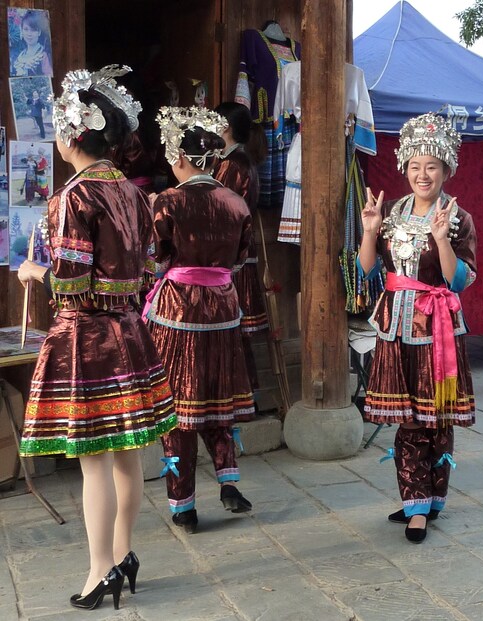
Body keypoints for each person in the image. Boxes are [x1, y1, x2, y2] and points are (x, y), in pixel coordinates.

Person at [17, 65, 177, 610]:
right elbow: (151, 263)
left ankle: (98, 569)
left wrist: (34, 273)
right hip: (130, 333)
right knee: (127, 453)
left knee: (94, 460)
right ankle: (124, 555)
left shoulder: (74, 197)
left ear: (71, 135)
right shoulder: (134, 194)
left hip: (87, 339)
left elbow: (72, 280)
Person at [358, 112, 477, 544]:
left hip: (437, 327)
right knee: (407, 420)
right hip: (395, 327)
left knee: (436, 419)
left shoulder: (458, 218)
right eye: (414, 165)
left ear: (446, 169)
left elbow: (458, 281)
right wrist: (370, 232)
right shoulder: (388, 211)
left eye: (431, 166)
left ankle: (429, 501)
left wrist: (443, 238)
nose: (422, 174)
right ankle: (416, 503)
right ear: (404, 167)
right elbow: (366, 269)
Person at [143, 106, 255, 534]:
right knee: (217, 395)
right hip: (224, 306)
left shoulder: (167, 202)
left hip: (178, 311)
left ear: (180, 158)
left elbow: (156, 258)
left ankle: (183, 505)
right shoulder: (236, 203)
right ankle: (228, 481)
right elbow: (241, 258)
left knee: (179, 406)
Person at [213, 102, 268, 392]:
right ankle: (242, 393)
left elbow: (220, 210)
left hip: (232, 255)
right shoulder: (234, 161)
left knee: (232, 327)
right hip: (235, 252)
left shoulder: (232, 164)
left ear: (224, 127)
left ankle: (239, 394)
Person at [12, 10, 53, 77]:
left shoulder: (44, 55)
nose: (29, 34)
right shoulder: (19, 57)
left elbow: (49, 78)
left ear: (39, 32)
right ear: (21, 31)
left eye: (33, 30)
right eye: (26, 29)